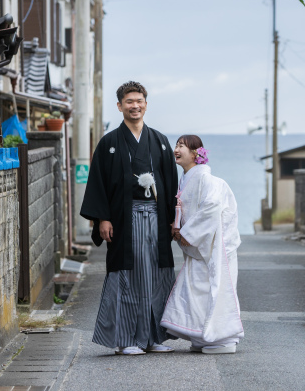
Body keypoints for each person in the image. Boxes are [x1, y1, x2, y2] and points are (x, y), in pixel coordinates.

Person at [80, 81, 179, 355]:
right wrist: (102, 218)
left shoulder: (159, 141)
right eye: (129, 102)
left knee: (157, 276)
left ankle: (154, 337)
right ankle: (125, 340)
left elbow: (170, 182)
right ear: (120, 106)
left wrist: (173, 219)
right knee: (127, 275)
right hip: (125, 219)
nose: (135, 106)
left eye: (139, 101)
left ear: (145, 104)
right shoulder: (109, 143)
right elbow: (98, 183)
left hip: (157, 218)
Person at [161, 135, 244, 354]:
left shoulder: (207, 180)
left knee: (213, 289)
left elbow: (212, 207)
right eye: (176, 145)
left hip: (214, 247)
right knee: (197, 290)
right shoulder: (188, 178)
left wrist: (187, 233)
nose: (176, 149)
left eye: (182, 146)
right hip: (200, 245)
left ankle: (223, 339)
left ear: (196, 153)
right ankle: (202, 336)